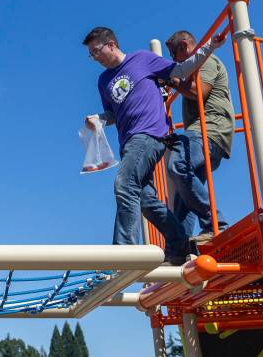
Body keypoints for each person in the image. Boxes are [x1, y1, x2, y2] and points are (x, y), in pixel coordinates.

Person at [82, 26, 224, 264]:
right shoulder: (103, 80)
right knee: (145, 201)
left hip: (149, 134)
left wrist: (210, 47)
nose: (95, 58)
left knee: (125, 184)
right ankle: (179, 241)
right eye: (91, 55)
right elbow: (113, 112)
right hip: (127, 142)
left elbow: (179, 70)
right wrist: (99, 119)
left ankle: (124, 253)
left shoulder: (142, 59)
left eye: (96, 51)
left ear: (111, 45)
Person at [163, 30, 235, 243]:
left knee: (177, 166)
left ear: (184, 47)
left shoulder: (207, 61)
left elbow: (199, 93)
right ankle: (180, 244)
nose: (174, 61)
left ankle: (215, 224)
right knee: (187, 192)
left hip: (210, 128)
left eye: (174, 55)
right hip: (203, 131)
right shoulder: (193, 69)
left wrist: (172, 80)